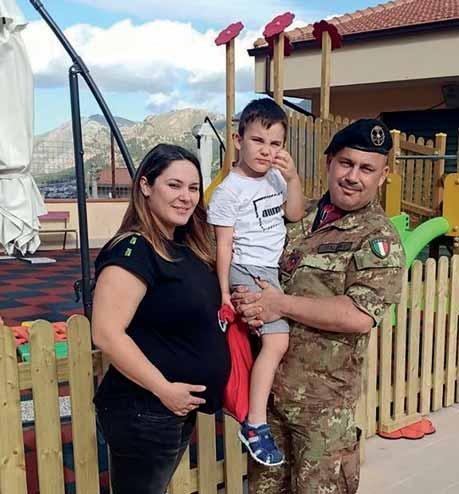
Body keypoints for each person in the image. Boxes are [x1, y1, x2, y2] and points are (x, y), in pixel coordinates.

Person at [233, 119, 405, 493]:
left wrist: (280, 304)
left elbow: (359, 315)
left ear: (383, 176)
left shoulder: (378, 238)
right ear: (329, 162)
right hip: (268, 404)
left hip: (322, 414)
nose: (353, 177)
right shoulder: (296, 215)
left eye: (367, 169)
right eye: (346, 163)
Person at [91, 144, 230, 494]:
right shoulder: (135, 250)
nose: (186, 197)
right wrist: (164, 390)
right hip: (145, 409)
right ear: (146, 186)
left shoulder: (185, 247)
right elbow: (106, 333)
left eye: (193, 188)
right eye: (174, 185)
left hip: (172, 408)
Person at [207, 98, 304, 466]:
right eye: (258, 140)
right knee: (277, 342)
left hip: (270, 270)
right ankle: (255, 424)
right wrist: (224, 292)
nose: (266, 150)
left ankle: (261, 413)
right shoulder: (229, 191)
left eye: (275, 143)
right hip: (248, 269)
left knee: (274, 343)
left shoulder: (276, 178)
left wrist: (292, 178)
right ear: (238, 140)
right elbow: (223, 246)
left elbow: (294, 213)